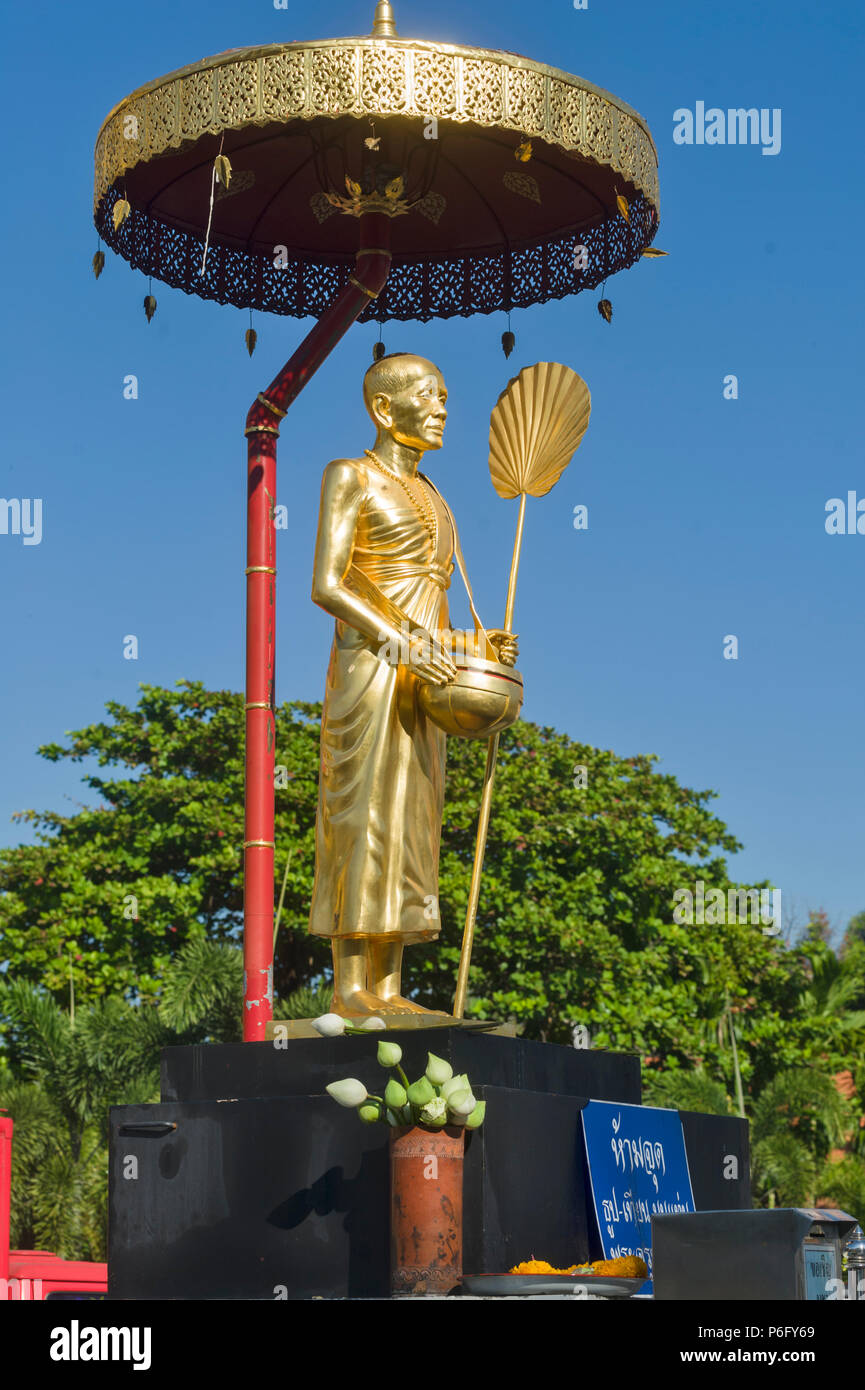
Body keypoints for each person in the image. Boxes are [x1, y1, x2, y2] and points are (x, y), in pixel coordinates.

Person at [308, 352, 516, 1016]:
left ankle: (390, 988)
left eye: (446, 397)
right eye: (429, 396)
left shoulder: (435, 498)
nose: (442, 408)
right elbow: (328, 584)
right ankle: (349, 991)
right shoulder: (350, 475)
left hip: (427, 682)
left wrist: (474, 647)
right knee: (363, 813)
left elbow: (432, 607)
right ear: (382, 408)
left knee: (413, 821)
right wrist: (399, 642)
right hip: (369, 670)